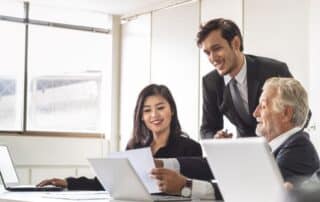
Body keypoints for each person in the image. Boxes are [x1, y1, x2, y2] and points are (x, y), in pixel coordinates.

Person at [151, 77, 319, 200]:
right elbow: (216, 165)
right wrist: (163, 163)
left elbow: (252, 192)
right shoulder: (271, 147)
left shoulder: (299, 148)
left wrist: (186, 186)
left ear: (286, 113)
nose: (255, 113)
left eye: (263, 106)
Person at [37, 84, 202, 190]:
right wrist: (68, 182)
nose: (154, 115)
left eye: (160, 107)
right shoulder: (135, 147)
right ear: (141, 117)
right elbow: (113, 183)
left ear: (171, 110)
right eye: (147, 110)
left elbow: (195, 190)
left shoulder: (190, 147)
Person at [198, 18, 293, 139]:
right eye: (207, 53)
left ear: (236, 43)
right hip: (245, 150)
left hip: (279, 149)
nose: (212, 58)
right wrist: (216, 137)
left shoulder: (274, 70)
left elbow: (302, 115)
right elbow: (207, 128)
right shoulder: (211, 82)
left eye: (217, 49)